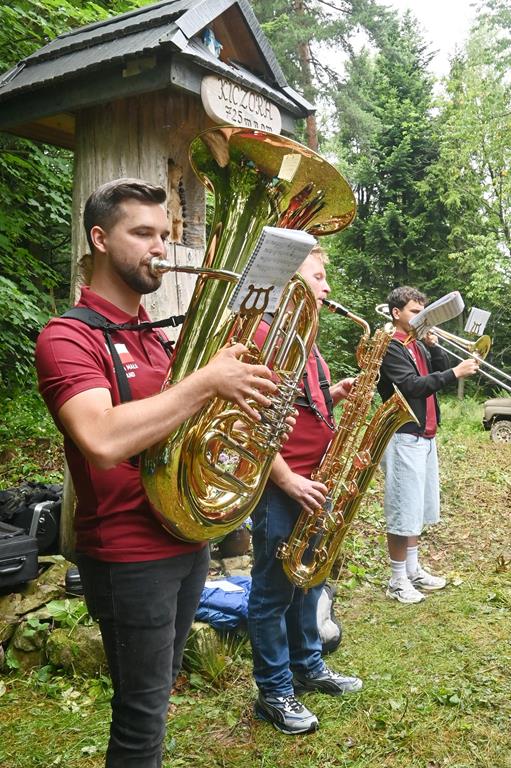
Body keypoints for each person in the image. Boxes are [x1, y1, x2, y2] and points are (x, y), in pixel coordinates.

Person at [35, 178, 278, 768]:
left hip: (185, 539)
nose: (159, 249)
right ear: (100, 239)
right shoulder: (67, 337)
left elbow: (179, 426)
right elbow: (102, 439)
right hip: (128, 555)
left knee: (157, 697)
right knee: (141, 719)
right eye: (142, 233)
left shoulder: (155, 338)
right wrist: (205, 382)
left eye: (164, 235)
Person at [247, 246, 363, 736]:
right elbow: (251, 422)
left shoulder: (307, 343)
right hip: (284, 488)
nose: (327, 287)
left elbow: (298, 408)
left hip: (317, 483)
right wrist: (287, 479)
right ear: (291, 284)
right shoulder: (264, 337)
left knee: (309, 580)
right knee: (272, 592)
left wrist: (332, 395)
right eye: (318, 277)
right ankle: (274, 691)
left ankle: (309, 667)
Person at [377, 286, 479, 605]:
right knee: (402, 509)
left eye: (424, 312)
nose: (421, 318)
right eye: (414, 312)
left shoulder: (417, 344)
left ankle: (412, 570)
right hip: (403, 436)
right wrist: (455, 371)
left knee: (417, 508)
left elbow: (436, 375)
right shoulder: (391, 346)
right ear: (397, 313)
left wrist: (434, 347)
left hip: (425, 436)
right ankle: (397, 579)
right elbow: (412, 386)